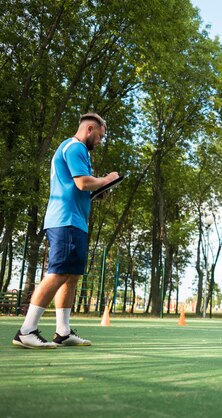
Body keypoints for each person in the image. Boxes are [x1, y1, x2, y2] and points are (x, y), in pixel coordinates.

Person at [12, 113, 119, 348]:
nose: (100, 141)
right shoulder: (75, 147)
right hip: (65, 220)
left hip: (76, 221)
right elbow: (82, 182)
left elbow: (81, 188)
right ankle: (26, 330)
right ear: (90, 129)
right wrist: (107, 178)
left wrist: (99, 190)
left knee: (71, 276)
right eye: (100, 136)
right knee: (59, 273)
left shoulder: (79, 151)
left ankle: (63, 332)